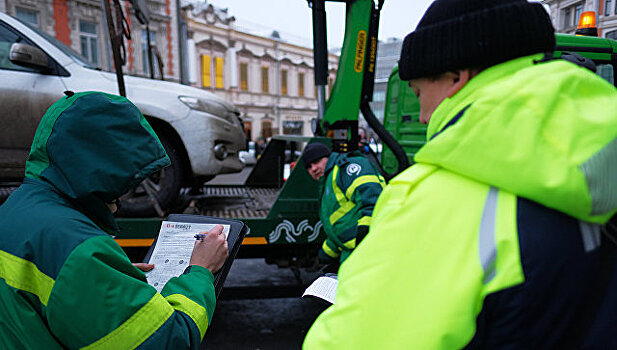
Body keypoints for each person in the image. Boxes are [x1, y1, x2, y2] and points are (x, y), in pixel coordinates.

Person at [304, 0, 617, 348]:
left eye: (419, 93)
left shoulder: (431, 200)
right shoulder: (603, 156)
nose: (422, 116)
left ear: (456, 76)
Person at [0, 91, 228, 349]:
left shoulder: (14, 209)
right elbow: (168, 340)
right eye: (125, 177)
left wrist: (107, 274)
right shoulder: (79, 249)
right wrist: (200, 270)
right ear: (103, 167)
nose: (123, 194)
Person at [302, 142, 385, 265]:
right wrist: (325, 254)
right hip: (353, 255)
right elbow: (340, 226)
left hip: (368, 252)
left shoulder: (346, 168)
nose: (313, 169)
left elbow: (374, 201)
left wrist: (363, 235)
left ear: (328, 158)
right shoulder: (328, 183)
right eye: (309, 167)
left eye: (317, 161)